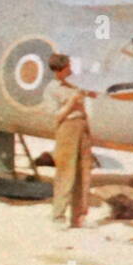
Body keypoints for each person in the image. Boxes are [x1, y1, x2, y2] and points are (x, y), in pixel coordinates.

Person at [45, 53, 94, 228]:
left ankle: (79, 217)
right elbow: (56, 116)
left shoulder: (74, 83)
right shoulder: (52, 88)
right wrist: (72, 102)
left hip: (82, 126)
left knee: (84, 173)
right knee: (66, 173)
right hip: (67, 128)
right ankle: (58, 217)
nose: (71, 70)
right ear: (59, 70)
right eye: (67, 68)